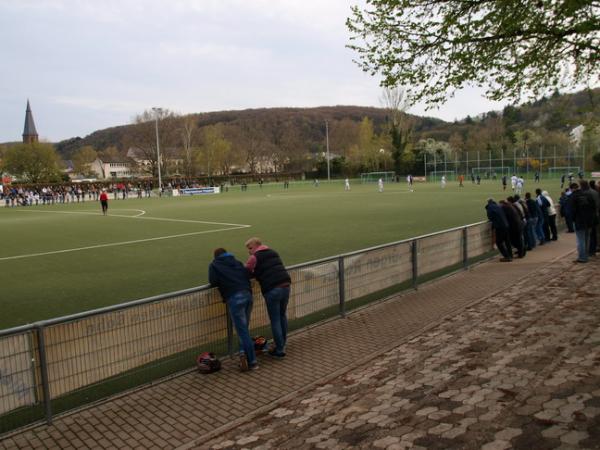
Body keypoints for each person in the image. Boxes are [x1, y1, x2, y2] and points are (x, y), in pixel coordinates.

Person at [209, 248, 257, 371]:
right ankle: (243, 354)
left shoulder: (214, 264)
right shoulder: (237, 261)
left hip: (235, 298)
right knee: (244, 329)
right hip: (247, 294)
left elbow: (213, 281)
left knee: (243, 331)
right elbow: (247, 273)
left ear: (215, 256)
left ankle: (252, 362)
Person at [245, 237, 291, 359]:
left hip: (272, 289)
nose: (249, 251)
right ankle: (283, 343)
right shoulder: (273, 252)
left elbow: (247, 271)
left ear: (256, 246)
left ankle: (280, 349)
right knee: (282, 315)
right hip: (286, 285)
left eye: (250, 248)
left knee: (275, 319)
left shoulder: (254, 257)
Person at [568, 182, 597, 263]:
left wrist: (573, 219)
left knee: (580, 240)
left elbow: (572, 211)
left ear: (571, 189)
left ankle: (582, 257)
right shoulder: (588, 195)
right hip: (589, 220)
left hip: (579, 220)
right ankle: (585, 255)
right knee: (587, 238)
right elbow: (593, 207)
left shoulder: (573, 197)